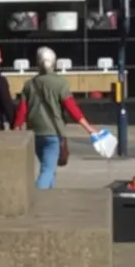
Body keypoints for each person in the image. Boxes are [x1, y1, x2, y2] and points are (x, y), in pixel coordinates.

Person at [14, 45, 89, 189]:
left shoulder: (29, 85)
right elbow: (72, 108)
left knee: (48, 168)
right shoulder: (61, 83)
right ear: (54, 63)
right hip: (54, 133)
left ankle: (48, 197)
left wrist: (16, 128)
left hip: (34, 133)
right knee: (47, 170)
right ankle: (37, 196)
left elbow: (22, 110)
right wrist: (89, 128)